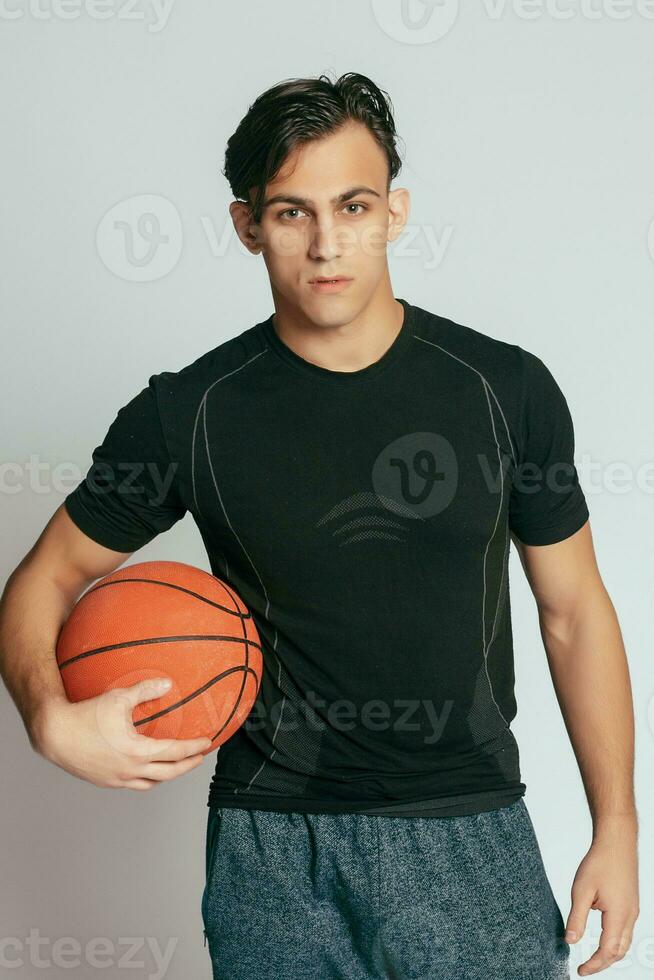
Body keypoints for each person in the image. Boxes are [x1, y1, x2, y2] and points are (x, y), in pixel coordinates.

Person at [0, 72, 639, 979]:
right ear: (247, 225)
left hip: (469, 828)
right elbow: (45, 576)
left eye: (354, 204)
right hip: (270, 846)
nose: (329, 242)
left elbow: (573, 611)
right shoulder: (191, 412)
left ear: (396, 211)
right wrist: (47, 718)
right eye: (293, 212)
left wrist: (616, 826)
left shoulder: (504, 390)